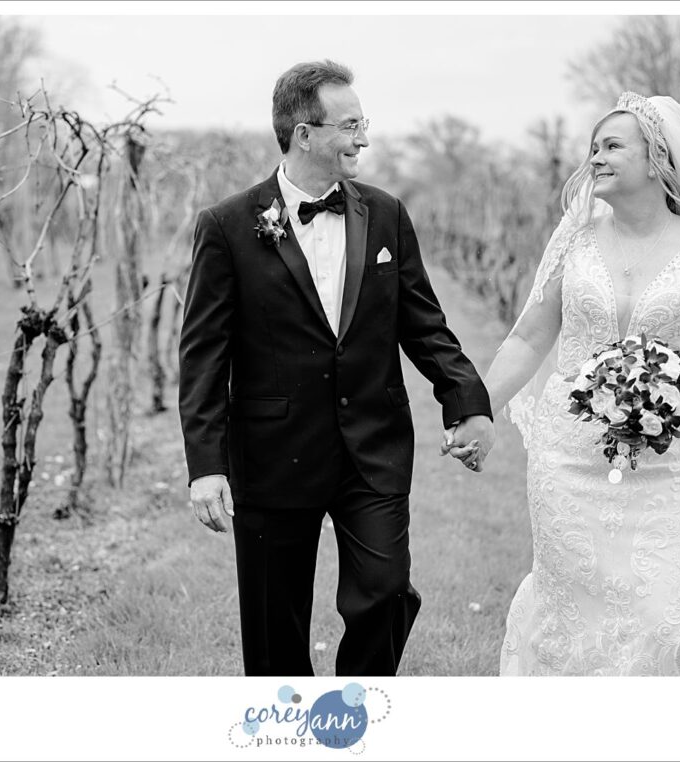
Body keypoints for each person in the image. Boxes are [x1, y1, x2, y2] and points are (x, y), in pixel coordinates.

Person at [178, 60, 494, 676]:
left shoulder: (386, 214)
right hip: (272, 454)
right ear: (304, 133)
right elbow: (204, 355)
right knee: (274, 626)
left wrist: (469, 403)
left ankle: (350, 718)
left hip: (372, 449)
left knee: (386, 594)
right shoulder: (227, 226)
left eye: (362, 123)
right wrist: (206, 466)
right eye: (350, 125)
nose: (364, 138)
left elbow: (423, 323)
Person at [473, 92, 680, 675]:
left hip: (670, 459)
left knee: (656, 607)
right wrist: (476, 410)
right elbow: (527, 340)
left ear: (658, 160)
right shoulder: (574, 239)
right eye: (593, 147)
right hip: (569, 458)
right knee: (572, 605)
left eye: (612, 146)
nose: (595, 157)